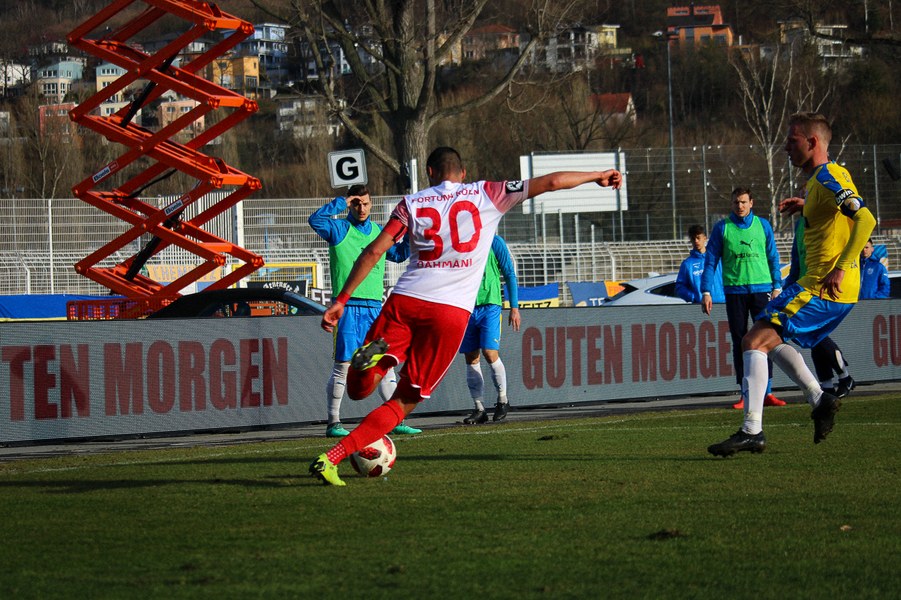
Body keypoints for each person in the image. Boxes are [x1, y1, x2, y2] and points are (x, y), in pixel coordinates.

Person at [310, 146, 623, 485]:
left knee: (359, 391)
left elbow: (373, 252)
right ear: (463, 173)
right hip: (449, 313)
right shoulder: (488, 193)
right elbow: (551, 182)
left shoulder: (411, 203)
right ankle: (332, 458)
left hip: (406, 301)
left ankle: (368, 362)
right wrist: (597, 175)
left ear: (430, 172)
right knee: (403, 401)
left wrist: (341, 299)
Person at [708, 111, 876, 457]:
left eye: (792, 139)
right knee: (765, 338)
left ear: (812, 142)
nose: (785, 146)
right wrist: (807, 206)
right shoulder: (820, 182)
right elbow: (836, 214)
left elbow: (866, 219)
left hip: (825, 286)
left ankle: (753, 430)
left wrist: (841, 267)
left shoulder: (829, 177)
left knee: (753, 340)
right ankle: (818, 399)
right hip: (818, 284)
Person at [308, 185, 422, 438]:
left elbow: (398, 255)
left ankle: (395, 418)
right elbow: (315, 220)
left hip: (374, 309)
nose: (362, 208)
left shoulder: (379, 232)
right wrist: (341, 202)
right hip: (347, 309)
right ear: (351, 204)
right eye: (357, 203)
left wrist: (410, 232)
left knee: (384, 363)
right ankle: (333, 422)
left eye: (366, 204)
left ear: (371, 205)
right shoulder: (339, 229)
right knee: (343, 366)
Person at [701, 187, 786, 410]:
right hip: (735, 291)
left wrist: (777, 285)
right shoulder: (722, 228)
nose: (740, 206)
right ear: (732, 204)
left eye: (743, 202)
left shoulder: (763, 225)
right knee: (741, 341)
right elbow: (710, 261)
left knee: (766, 339)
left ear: (751, 203)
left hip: (762, 289)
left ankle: (767, 392)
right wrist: (706, 291)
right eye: (736, 202)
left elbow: (773, 257)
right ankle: (745, 393)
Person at [784, 215, 855, 399]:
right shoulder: (800, 224)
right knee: (813, 336)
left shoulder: (826, 217)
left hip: (822, 286)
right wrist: (788, 286)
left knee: (815, 334)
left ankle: (844, 377)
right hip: (805, 286)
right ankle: (828, 384)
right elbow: (797, 258)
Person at [460, 234, 521, 425]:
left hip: (490, 305)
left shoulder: (494, 241)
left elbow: (509, 273)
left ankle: (503, 399)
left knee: (489, 352)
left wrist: (514, 307)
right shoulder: (459, 241)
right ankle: (479, 408)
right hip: (466, 306)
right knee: (471, 357)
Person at [675, 224, 725, 304]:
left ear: (704, 238)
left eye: (698, 238)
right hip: (700, 306)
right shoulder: (687, 264)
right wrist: (694, 297)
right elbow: (680, 287)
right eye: (693, 239)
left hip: (721, 304)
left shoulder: (717, 259)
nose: (696, 241)